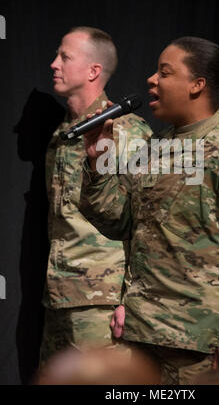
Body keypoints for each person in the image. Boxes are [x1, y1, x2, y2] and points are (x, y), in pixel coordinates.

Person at [80, 36, 219, 385]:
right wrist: (98, 161)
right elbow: (117, 221)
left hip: (200, 347)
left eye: (164, 72)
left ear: (197, 84)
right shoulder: (155, 146)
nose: (151, 80)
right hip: (142, 339)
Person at [40, 26, 152, 363]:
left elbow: (145, 221)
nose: (53, 64)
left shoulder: (127, 131)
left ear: (94, 70)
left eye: (65, 56)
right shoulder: (62, 134)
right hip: (59, 297)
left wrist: (131, 300)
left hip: (102, 304)